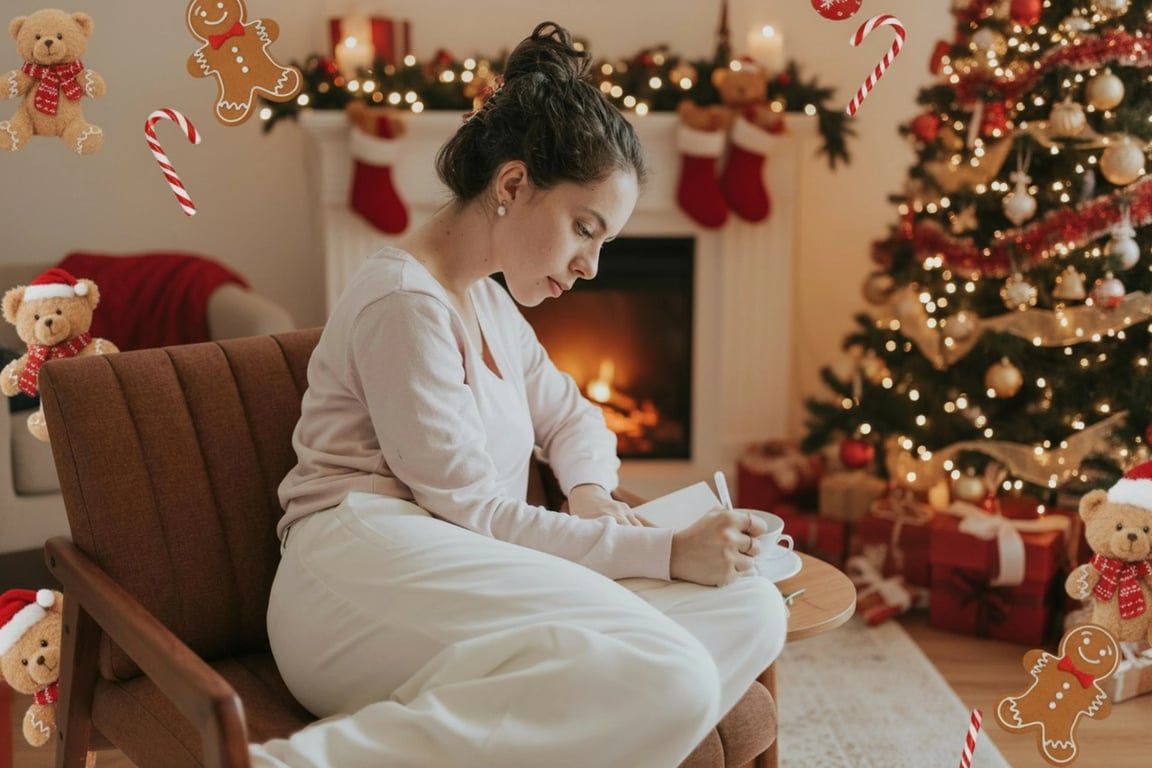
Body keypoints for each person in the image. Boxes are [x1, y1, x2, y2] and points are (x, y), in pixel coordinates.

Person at [250, 21, 786, 768]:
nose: (591, 266)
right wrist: (658, 549)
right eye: (584, 229)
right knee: (675, 672)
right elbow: (471, 511)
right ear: (512, 185)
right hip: (359, 568)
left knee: (750, 607)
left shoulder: (491, 301)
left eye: (604, 244)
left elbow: (572, 416)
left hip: (465, 567)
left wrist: (593, 494)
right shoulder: (404, 302)